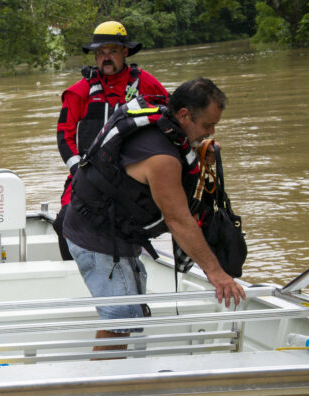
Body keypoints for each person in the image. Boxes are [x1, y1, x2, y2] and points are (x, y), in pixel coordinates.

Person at [61, 77, 246, 353]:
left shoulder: (161, 117)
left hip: (97, 223)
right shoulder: (162, 159)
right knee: (119, 320)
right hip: (97, 238)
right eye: (207, 125)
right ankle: (101, 390)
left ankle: (115, 379)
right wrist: (216, 273)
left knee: (128, 313)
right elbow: (178, 220)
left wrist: (197, 151)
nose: (211, 133)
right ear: (184, 115)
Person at [54, 21, 169, 260]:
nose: (105, 58)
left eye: (112, 51)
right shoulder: (79, 91)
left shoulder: (146, 83)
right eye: (100, 53)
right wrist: (78, 170)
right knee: (64, 222)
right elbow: (64, 135)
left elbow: (173, 119)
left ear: (125, 52)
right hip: (86, 173)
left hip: (132, 175)